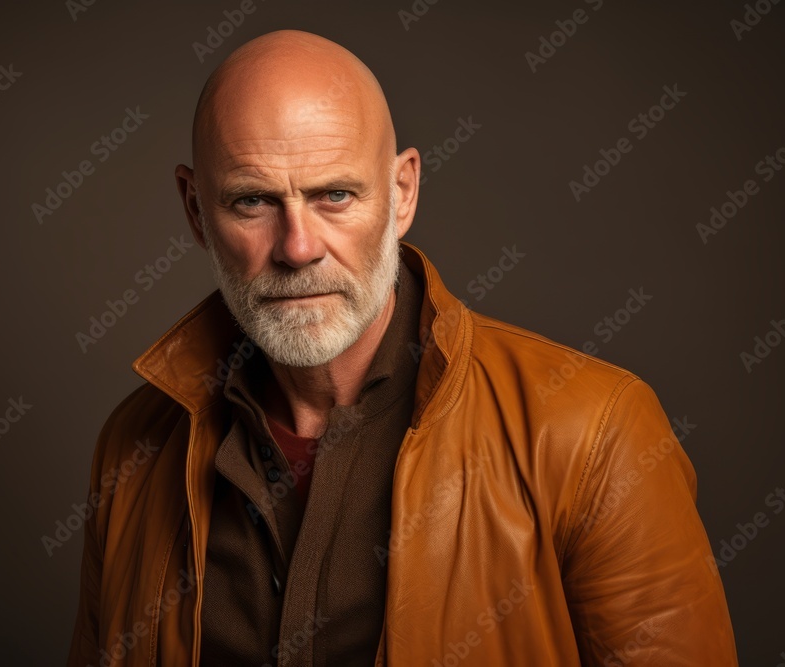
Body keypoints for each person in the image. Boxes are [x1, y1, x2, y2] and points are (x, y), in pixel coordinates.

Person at [68, 29, 738, 667]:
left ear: (402, 192)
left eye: (335, 194)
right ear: (194, 210)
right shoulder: (134, 448)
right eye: (252, 201)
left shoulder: (593, 432)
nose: (297, 247)